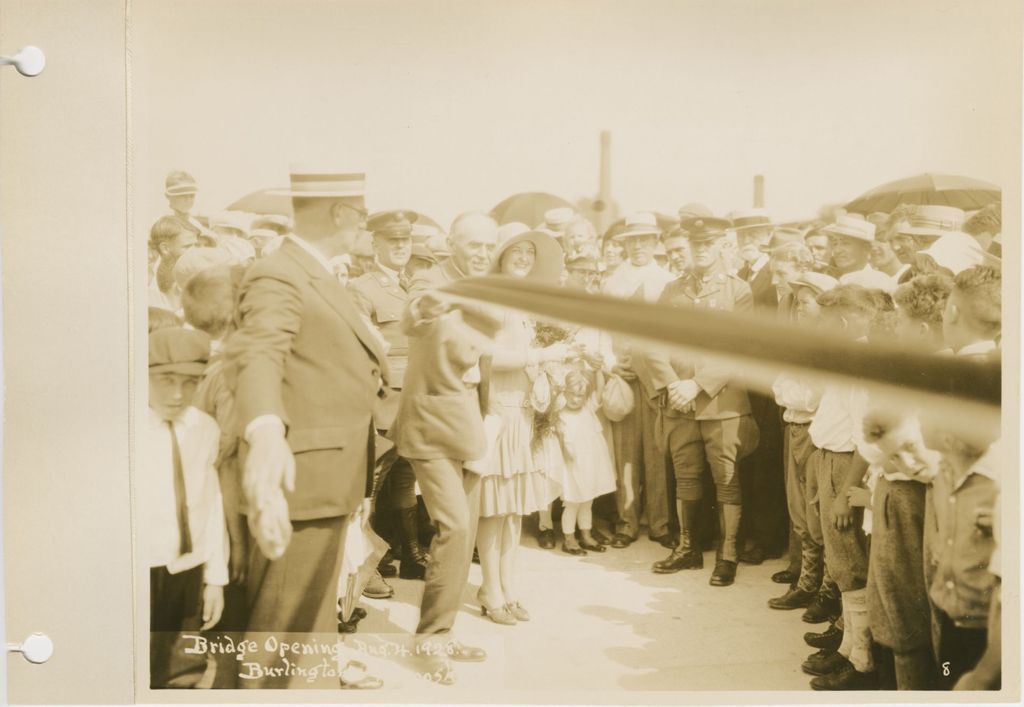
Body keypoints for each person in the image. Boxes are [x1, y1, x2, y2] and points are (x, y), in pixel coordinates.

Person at [227, 167, 386, 690]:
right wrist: (267, 430)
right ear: (341, 214)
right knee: (281, 638)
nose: (364, 227)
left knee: (308, 630)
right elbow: (259, 354)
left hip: (327, 476)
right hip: (303, 480)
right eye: (361, 216)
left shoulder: (312, 270)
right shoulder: (280, 272)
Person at [391, 211, 502, 681]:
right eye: (472, 244)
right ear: (452, 244)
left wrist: (489, 413)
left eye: (486, 246)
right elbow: (415, 314)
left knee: (463, 534)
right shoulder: (430, 279)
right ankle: (430, 638)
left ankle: (444, 631)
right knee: (454, 528)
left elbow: (485, 357)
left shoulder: (487, 287)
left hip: (470, 426)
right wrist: (425, 309)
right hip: (430, 426)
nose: (480, 252)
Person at [647, 217, 759, 587]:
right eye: (695, 244)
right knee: (686, 475)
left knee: (726, 479)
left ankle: (727, 555)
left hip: (720, 402)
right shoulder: (671, 291)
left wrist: (697, 384)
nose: (701, 250)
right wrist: (670, 384)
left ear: (722, 246)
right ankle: (688, 549)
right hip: (679, 401)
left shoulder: (737, 291)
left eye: (708, 244)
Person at [475, 229, 566, 624]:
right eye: (517, 251)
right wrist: (542, 353)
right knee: (493, 510)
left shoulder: (523, 303)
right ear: (501, 256)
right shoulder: (490, 298)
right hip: (500, 413)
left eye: (530, 252)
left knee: (513, 513)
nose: (524, 257)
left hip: (524, 414)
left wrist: (550, 365)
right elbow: (486, 357)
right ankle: (489, 588)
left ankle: (508, 587)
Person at [802, 284, 878, 690]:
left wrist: (846, 493)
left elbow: (865, 438)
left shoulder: (861, 365)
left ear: (845, 323)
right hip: (830, 460)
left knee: (850, 561)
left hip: (848, 465)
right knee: (840, 558)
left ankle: (864, 660)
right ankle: (849, 645)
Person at [144, 327, 226, 688]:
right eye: (165, 380)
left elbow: (212, 504)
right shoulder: (122, 430)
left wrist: (215, 579)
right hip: (137, 570)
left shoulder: (204, 428)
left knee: (182, 671)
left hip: (187, 570)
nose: (178, 394)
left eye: (190, 382)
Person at [350, 210, 429, 582]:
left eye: (405, 240)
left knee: (405, 476)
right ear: (375, 244)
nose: (400, 247)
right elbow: (364, 348)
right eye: (392, 240)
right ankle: (370, 564)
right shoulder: (361, 289)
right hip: (385, 397)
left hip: (416, 393)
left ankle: (412, 554)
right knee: (373, 481)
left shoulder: (415, 284)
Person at [600, 212, 677, 550]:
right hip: (623, 375)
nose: (639, 246)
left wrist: (663, 373)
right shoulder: (611, 282)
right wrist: (611, 365)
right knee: (626, 453)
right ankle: (627, 521)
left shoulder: (666, 280)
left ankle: (660, 524)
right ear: (625, 243)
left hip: (655, 376)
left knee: (657, 449)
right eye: (633, 240)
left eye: (645, 240)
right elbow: (600, 330)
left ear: (655, 242)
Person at [767, 272, 834, 610]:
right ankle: (806, 579)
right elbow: (779, 387)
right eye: (796, 302)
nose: (798, 308)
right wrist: (790, 391)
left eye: (805, 302)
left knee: (816, 511)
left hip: (815, 433)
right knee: (798, 507)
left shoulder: (828, 344)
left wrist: (790, 392)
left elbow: (811, 398)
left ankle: (822, 588)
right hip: (794, 428)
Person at [555, 368, 618, 555]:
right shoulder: (560, 414)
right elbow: (560, 441)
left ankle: (586, 535)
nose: (576, 400)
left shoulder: (588, 408)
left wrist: (597, 369)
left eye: (580, 396)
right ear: (564, 392)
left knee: (587, 502)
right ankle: (569, 539)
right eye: (572, 395)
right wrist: (566, 453)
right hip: (572, 465)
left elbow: (599, 390)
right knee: (572, 503)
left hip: (589, 465)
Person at [889, 205, 965, 283]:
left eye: (902, 238)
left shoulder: (964, 275)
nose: (895, 247)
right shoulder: (903, 279)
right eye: (919, 239)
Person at [824, 215, 891, 291]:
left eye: (845, 243)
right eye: (835, 244)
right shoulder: (833, 282)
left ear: (866, 248)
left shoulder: (877, 282)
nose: (837, 250)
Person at [149, 215, 199, 312]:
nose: (194, 252)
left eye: (196, 245)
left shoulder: (194, 271)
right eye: (187, 247)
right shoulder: (148, 284)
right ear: (165, 249)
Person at [730, 208, 777, 309]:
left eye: (753, 234)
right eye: (741, 235)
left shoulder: (776, 274)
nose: (746, 240)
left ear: (769, 235)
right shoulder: (740, 275)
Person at [164, 170, 215, 246]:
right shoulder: (160, 223)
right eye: (182, 195)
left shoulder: (195, 223)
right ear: (168, 196)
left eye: (192, 196)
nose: (188, 200)